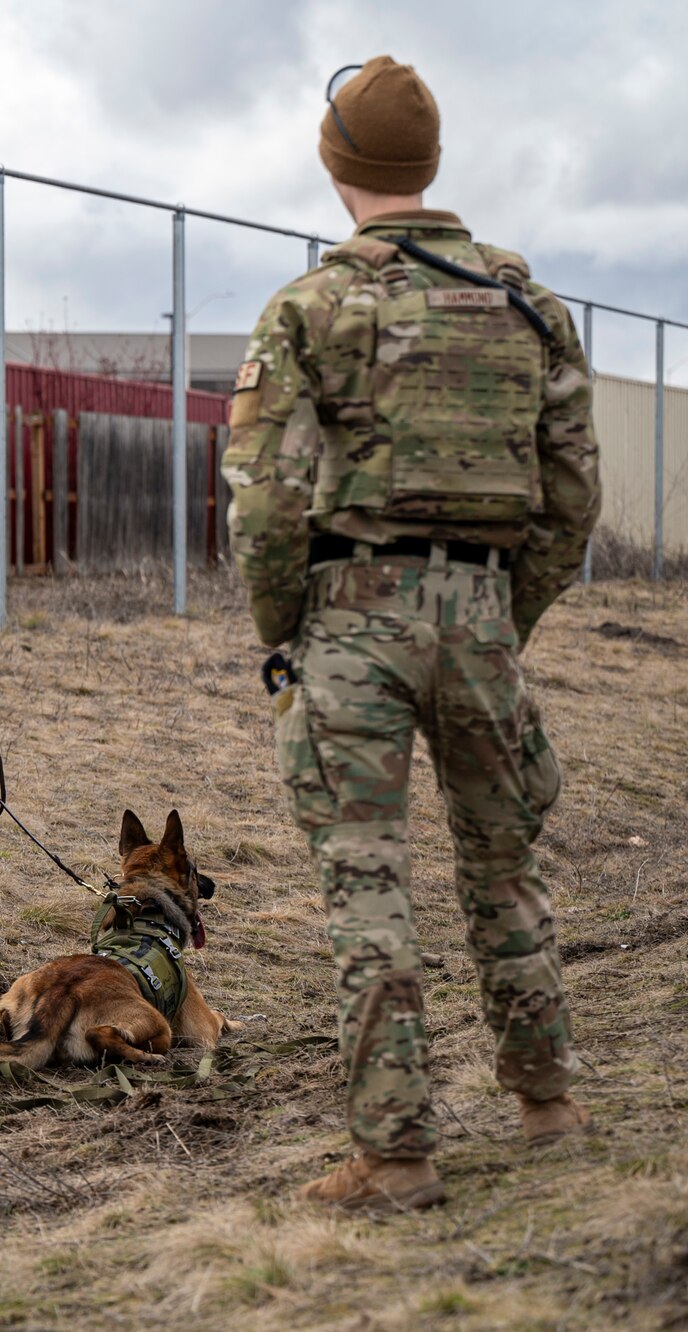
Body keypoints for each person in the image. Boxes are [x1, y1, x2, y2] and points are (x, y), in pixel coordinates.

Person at [224, 56, 600, 1212]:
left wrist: (285, 627)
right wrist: (501, 615)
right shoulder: (528, 307)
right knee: (504, 863)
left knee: (365, 882)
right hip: (482, 613)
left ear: (333, 165)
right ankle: (547, 1104)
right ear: (428, 166)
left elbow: (262, 497)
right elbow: (571, 494)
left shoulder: (311, 306)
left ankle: (395, 1153)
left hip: (352, 619)